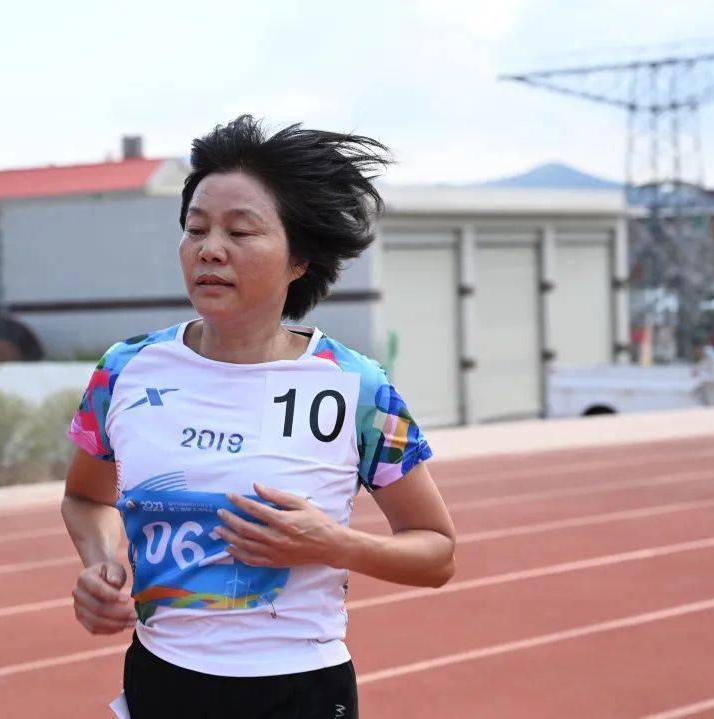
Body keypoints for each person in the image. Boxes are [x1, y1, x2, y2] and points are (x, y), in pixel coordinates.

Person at [61, 115, 456, 719]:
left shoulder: (358, 389)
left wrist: (334, 544)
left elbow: (437, 553)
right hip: (162, 680)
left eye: (240, 231)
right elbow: (87, 499)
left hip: (299, 689)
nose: (209, 248)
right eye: (196, 228)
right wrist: (103, 567)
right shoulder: (125, 370)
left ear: (299, 258)